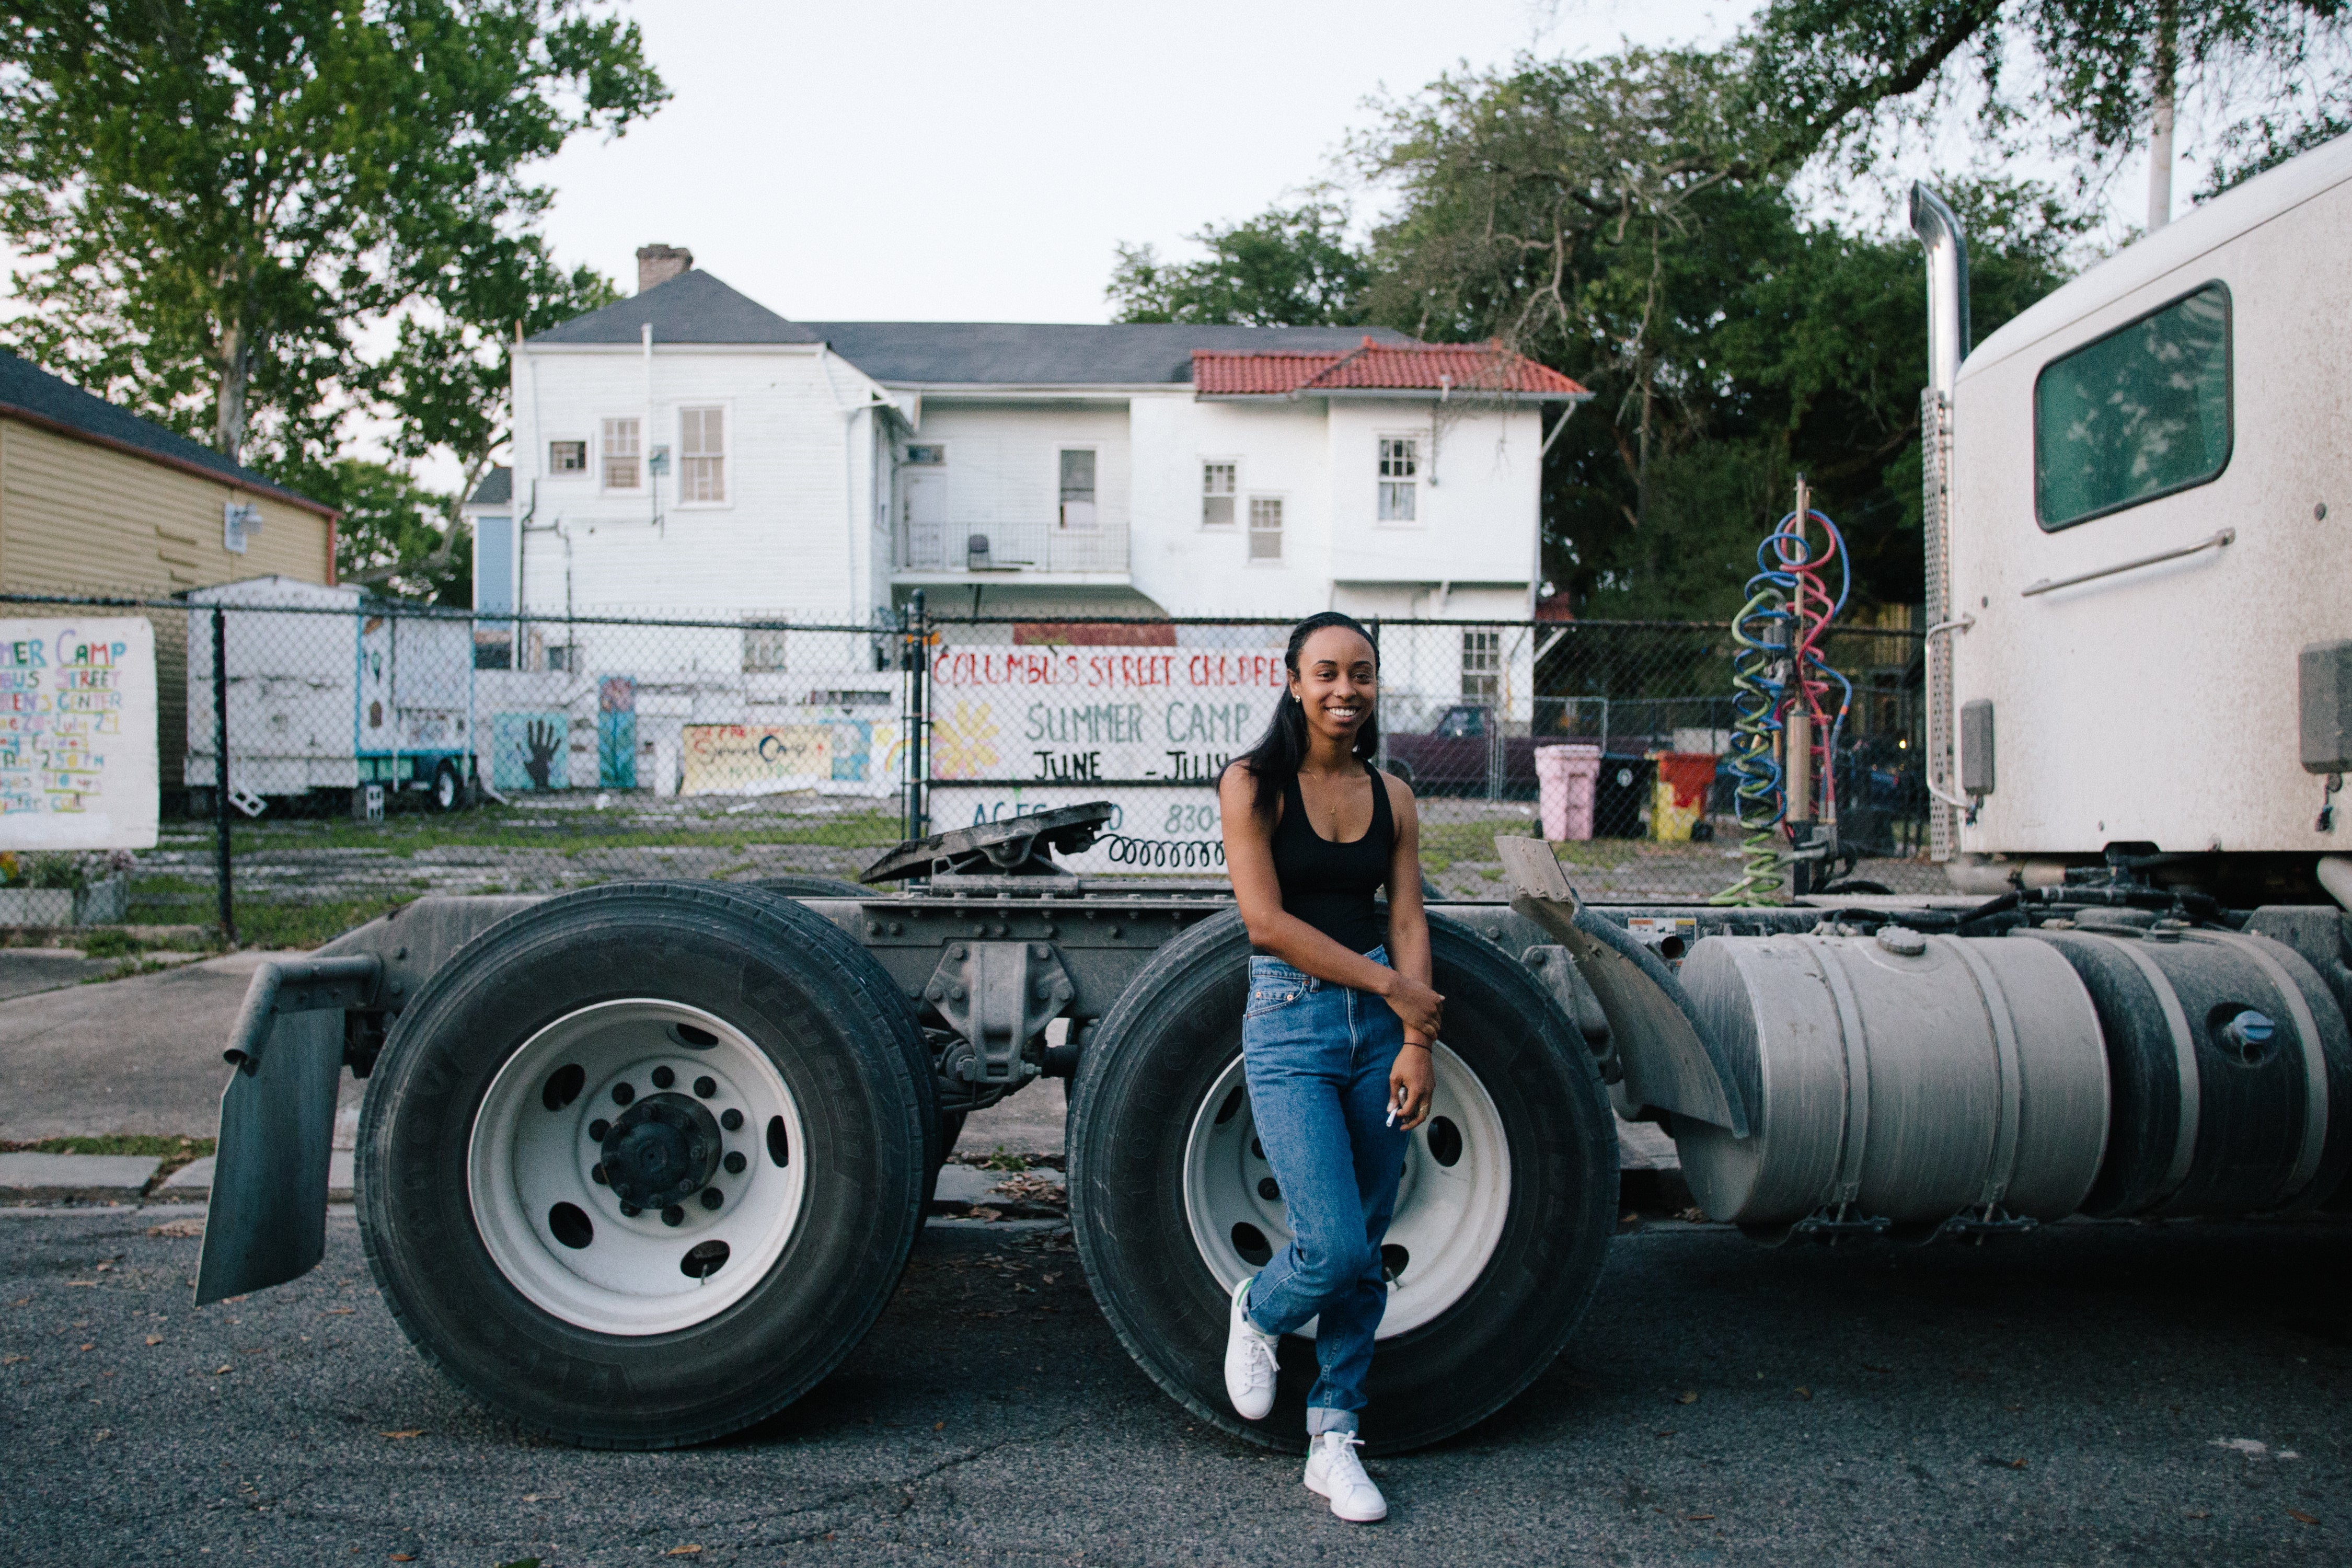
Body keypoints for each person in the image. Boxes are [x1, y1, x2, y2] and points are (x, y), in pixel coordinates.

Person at [1214, 610, 1443, 1525]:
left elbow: (1408, 918)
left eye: (1362, 673)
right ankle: (1261, 1310)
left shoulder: (1394, 795)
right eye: (1327, 673)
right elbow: (1265, 923)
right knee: (1335, 1244)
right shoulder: (1252, 784)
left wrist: (1417, 1040)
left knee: (1368, 1247)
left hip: (1383, 1034)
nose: (1346, 689)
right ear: (1294, 682)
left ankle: (1335, 1435)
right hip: (1289, 1022)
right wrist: (1393, 987)